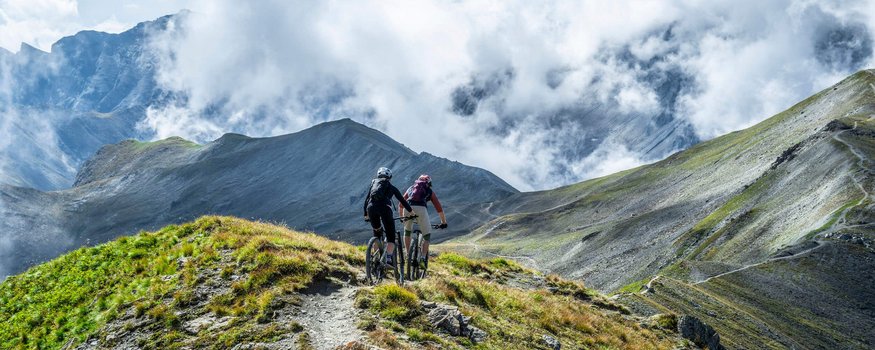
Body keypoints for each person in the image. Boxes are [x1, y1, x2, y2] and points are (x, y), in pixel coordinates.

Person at [363, 167, 414, 266]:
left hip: (371, 208)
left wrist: (366, 214)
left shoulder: (373, 185)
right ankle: (389, 259)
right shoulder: (392, 188)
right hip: (385, 209)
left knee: (377, 233)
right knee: (391, 236)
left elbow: (367, 200)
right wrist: (411, 213)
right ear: (390, 177)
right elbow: (403, 201)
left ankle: (375, 258)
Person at [400, 174, 448, 268]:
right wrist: (443, 222)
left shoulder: (411, 188)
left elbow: (401, 204)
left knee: (407, 231)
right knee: (427, 235)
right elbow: (439, 208)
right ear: (428, 183)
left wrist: (402, 218)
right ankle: (422, 258)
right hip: (421, 209)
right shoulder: (429, 191)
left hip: (408, 208)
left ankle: (408, 255)